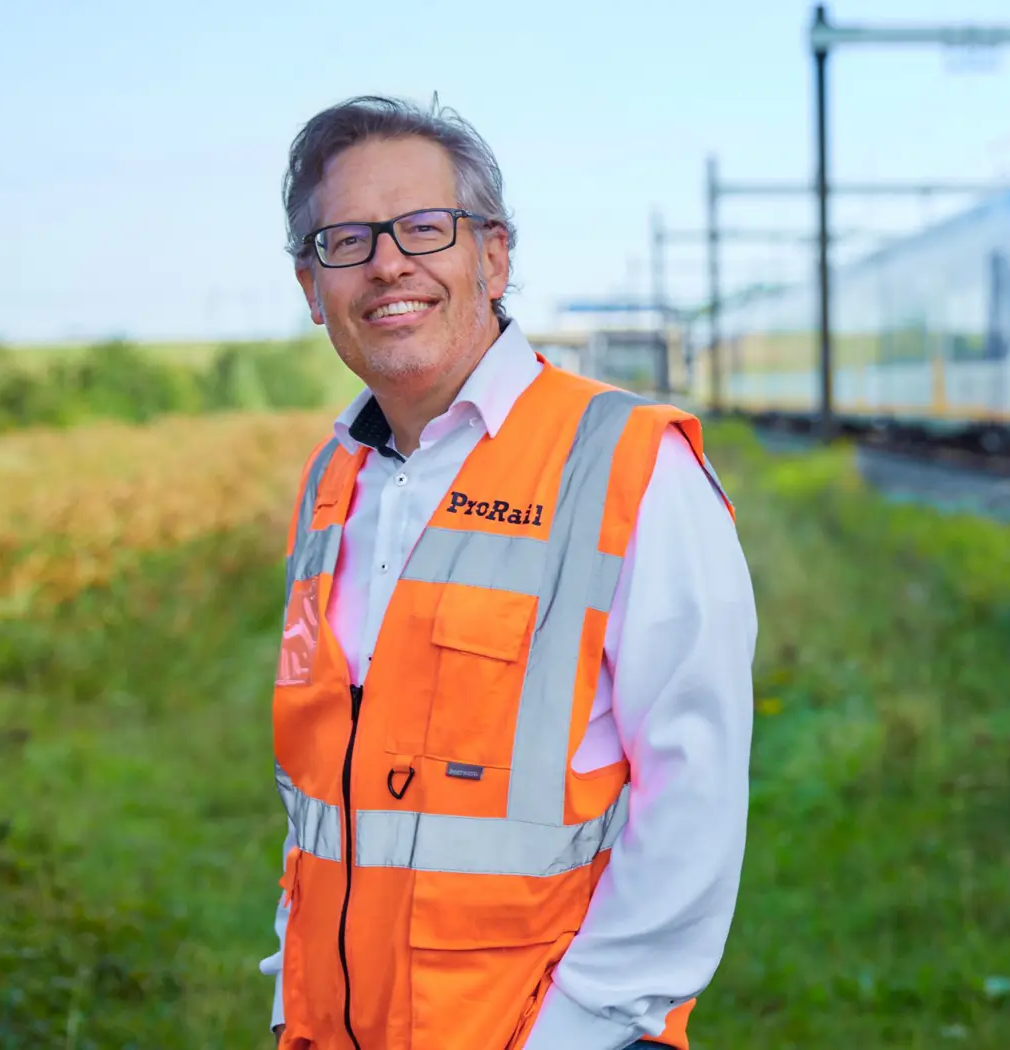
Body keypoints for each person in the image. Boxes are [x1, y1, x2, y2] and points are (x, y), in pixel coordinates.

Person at [257, 94, 757, 1050]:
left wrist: (581, 1030)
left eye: (424, 228)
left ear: (493, 256)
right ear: (310, 286)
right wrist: (296, 997)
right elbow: (322, 796)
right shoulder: (333, 480)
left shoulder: (627, 466)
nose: (388, 262)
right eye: (346, 240)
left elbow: (693, 797)